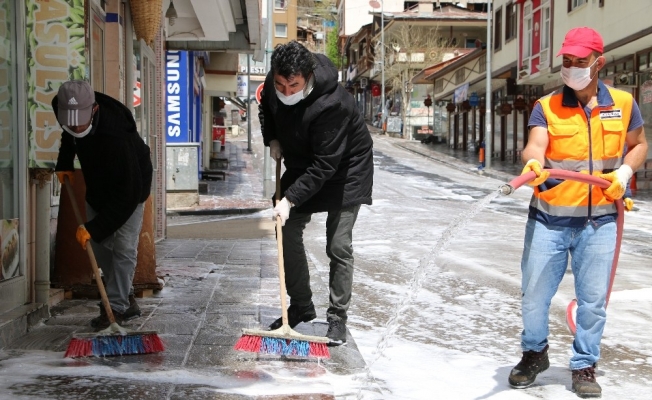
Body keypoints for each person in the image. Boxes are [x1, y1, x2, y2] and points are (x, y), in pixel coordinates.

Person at [508, 27, 648, 398]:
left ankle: (584, 364)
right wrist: (535, 164)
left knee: (593, 300)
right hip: (549, 219)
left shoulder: (623, 102)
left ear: (598, 63)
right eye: (566, 62)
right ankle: (534, 353)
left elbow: (638, 145)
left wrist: (624, 172)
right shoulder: (547, 105)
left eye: (580, 62)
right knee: (534, 295)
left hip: (600, 220)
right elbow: (534, 147)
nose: (571, 68)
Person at [260, 41, 374, 346]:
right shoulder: (274, 86)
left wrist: (290, 199)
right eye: (280, 84)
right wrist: (271, 138)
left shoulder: (333, 104)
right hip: (302, 161)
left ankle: (337, 317)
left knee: (338, 245)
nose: (285, 91)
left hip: (345, 170)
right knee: (284, 229)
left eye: (292, 84)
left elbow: (325, 165)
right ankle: (301, 305)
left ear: (308, 76)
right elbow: (266, 110)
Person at [53, 80, 153, 330]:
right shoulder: (61, 108)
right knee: (97, 246)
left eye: (81, 119)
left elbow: (128, 195)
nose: (76, 124)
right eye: (70, 119)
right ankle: (124, 295)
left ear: (94, 109)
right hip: (97, 185)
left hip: (132, 186)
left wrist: (95, 226)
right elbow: (69, 134)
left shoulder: (117, 133)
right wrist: (64, 161)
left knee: (123, 247)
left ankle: (117, 308)